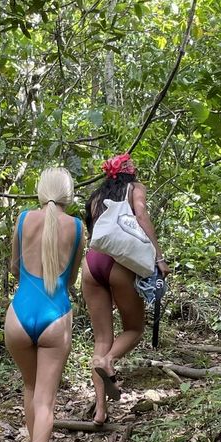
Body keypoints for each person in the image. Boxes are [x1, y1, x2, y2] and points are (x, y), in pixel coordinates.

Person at [5, 167, 86, 442]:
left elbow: (14, 267)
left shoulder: (24, 220)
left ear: (40, 191)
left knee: (30, 386)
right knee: (46, 401)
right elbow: (69, 281)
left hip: (19, 314)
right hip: (56, 316)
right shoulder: (78, 228)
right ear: (69, 195)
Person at [82, 152, 168, 424]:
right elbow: (140, 214)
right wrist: (159, 257)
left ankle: (100, 411)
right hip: (120, 265)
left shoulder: (96, 196)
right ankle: (109, 361)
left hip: (92, 264)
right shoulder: (135, 189)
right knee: (133, 329)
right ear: (131, 173)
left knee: (101, 339)